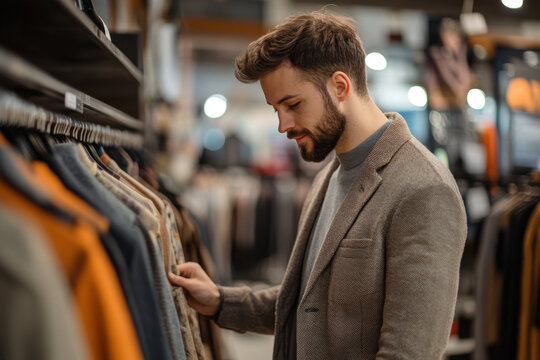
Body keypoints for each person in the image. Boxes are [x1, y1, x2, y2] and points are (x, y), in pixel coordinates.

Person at [168, 10, 467, 360]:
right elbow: (310, 303)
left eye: (292, 105)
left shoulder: (423, 190)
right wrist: (221, 301)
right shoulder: (328, 176)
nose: (282, 124)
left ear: (340, 86)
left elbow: (408, 353)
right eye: (275, 108)